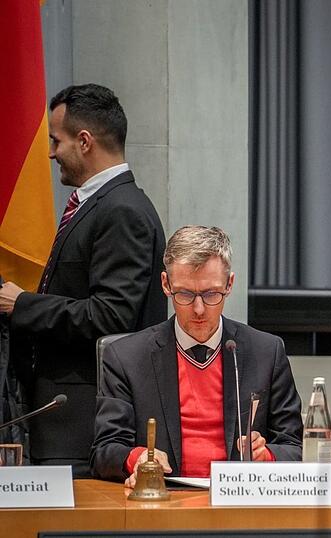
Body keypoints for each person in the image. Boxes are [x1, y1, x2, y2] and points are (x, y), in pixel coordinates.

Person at [0, 84, 166, 475]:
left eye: (57, 140)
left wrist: (22, 304)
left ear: (85, 141)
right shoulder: (100, 205)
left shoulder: (122, 210)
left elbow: (112, 316)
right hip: (61, 420)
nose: (51, 152)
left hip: (82, 424)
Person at [90, 226, 303, 487]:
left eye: (211, 294)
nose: (199, 309)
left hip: (239, 502)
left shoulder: (266, 351)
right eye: (185, 294)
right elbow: (105, 451)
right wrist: (139, 458)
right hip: (163, 499)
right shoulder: (126, 356)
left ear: (229, 284)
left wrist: (266, 455)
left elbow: (295, 447)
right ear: (166, 284)